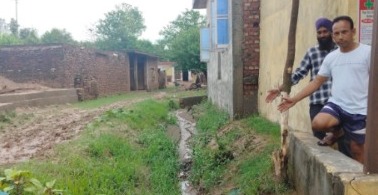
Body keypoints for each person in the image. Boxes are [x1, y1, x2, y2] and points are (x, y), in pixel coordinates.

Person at [277, 16, 370, 163]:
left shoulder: (368, 53)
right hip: (337, 105)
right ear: (333, 35)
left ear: (353, 31)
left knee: (357, 149)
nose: (340, 37)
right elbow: (316, 82)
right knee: (318, 123)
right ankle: (338, 131)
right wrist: (294, 99)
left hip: (360, 110)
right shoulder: (331, 58)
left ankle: (363, 181)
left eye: (344, 32)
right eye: (336, 33)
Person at [265, 17, 351, 155]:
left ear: (332, 33)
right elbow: (299, 74)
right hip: (318, 102)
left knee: (345, 142)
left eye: (325, 31)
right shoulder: (312, 52)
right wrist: (280, 89)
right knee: (320, 143)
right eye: (319, 32)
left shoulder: (341, 52)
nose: (322, 35)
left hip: (339, 103)